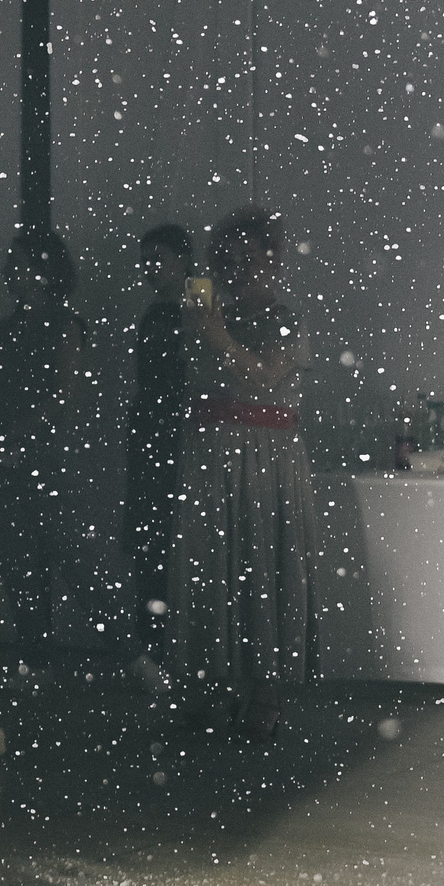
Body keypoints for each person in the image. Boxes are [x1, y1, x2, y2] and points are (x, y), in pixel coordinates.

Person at [173, 208, 317, 740]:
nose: (235, 271)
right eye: (226, 261)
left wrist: (220, 339)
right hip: (212, 454)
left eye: (247, 259)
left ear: (271, 262)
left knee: (261, 563)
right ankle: (215, 684)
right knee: (215, 567)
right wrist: (202, 329)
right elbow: (195, 382)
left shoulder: (283, 315)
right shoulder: (210, 313)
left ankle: (266, 691)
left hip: (264, 456)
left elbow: (267, 375)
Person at [0, 228, 89, 683]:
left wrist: (18, 434)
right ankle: (36, 659)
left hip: (40, 456)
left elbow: (63, 395)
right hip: (4, 454)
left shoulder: (64, 325)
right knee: (15, 563)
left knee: (69, 558)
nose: (8, 271)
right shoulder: (4, 330)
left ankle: (134, 657)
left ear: (42, 273)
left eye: (17, 263)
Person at [125, 224, 195, 663]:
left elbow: (198, 367)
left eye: (159, 259)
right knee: (152, 539)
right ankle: (155, 645)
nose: (151, 268)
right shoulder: (157, 312)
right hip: (156, 429)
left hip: (176, 430)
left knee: (168, 539)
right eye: (147, 260)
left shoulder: (192, 305)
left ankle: (166, 647)